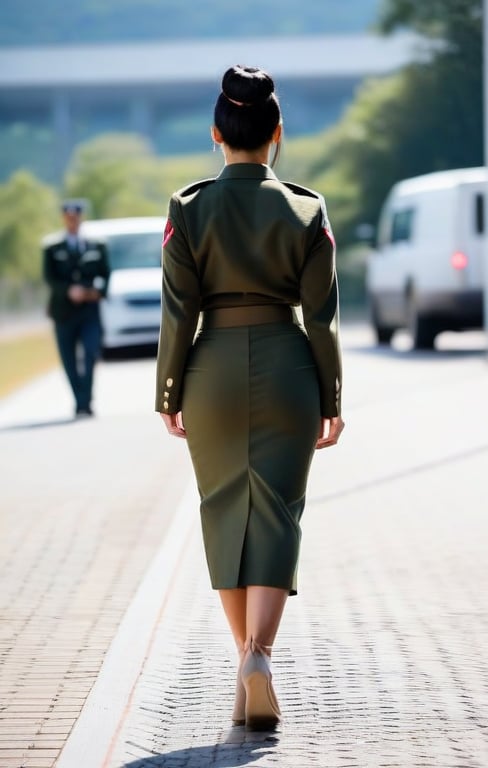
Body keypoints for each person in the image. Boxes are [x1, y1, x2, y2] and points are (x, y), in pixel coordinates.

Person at [156, 65, 344, 730]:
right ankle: (260, 656)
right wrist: (331, 396)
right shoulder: (305, 206)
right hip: (288, 366)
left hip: (210, 373)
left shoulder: (188, 206)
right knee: (277, 517)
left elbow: (178, 313)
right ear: (277, 134)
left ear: (216, 133)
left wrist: (168, 391)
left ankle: (244, 657)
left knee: (224, 512)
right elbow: (322, 316)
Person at [43, 201, 110, 417]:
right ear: (64, 219)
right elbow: (49, 277)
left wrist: (96, 292)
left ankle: (86, 399)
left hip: (89, 310)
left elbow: (105, 274)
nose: (73, 221)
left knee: (91, 352)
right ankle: (80, 402)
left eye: (76, 217)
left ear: (81, 218)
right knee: (69, 359)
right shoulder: (52, 248)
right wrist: (68, 290)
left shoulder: (96, 245)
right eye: (68, 217)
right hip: (64, 312)